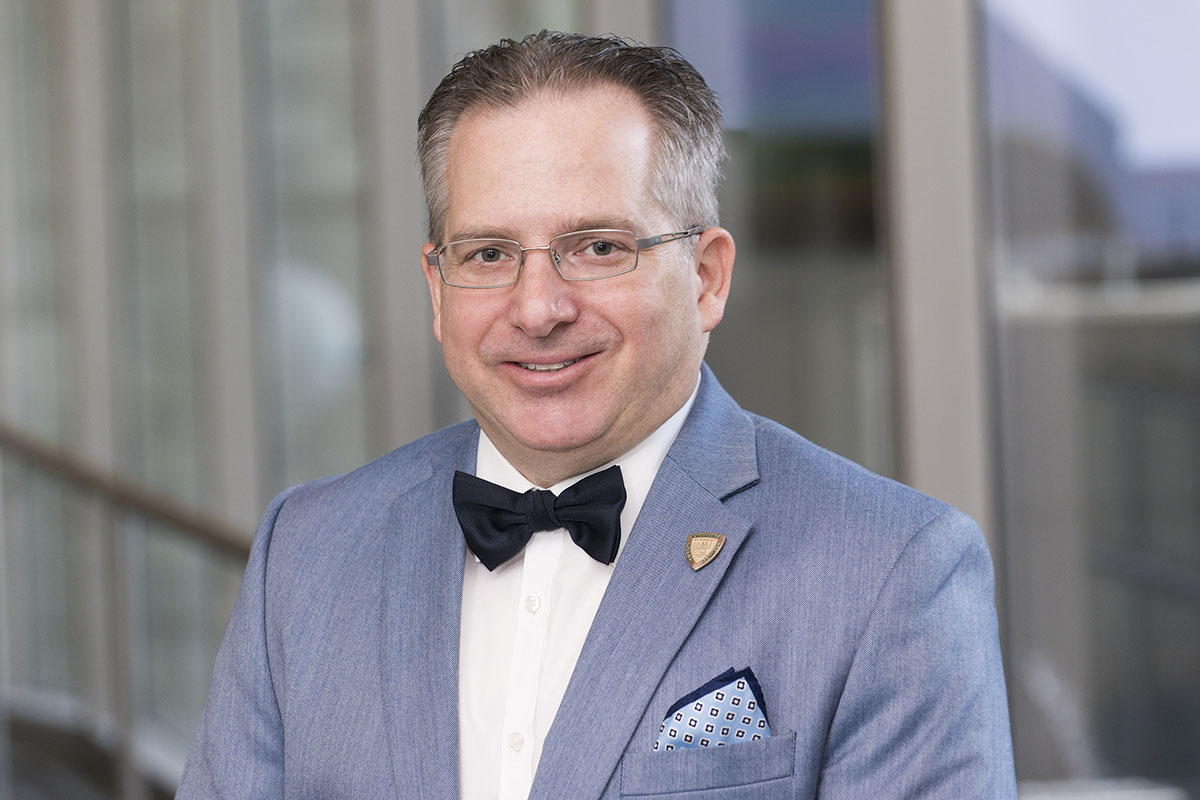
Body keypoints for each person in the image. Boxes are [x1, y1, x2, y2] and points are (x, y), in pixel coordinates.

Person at [178, 31, 1016, 799]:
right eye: (489, 254)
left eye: (599, 248)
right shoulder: (307, 554)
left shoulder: (891, 569)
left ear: (707, 277)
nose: (538, 308)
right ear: (437, 289)